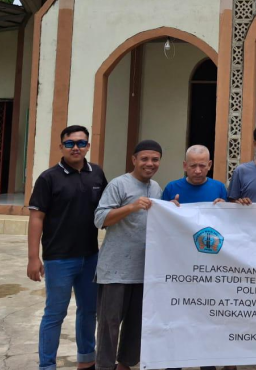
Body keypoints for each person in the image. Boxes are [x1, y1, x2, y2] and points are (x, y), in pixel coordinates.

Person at [27, 125, 107, 370]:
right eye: (70, 143)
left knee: (88, 311)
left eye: (81, 143)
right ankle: (47, 365)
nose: (76, 147)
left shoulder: (97, 174)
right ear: (61, 146)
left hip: (90, 257)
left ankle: (86, 360)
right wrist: (33, 258)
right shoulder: (48, 178)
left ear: (88, 146)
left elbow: (108, 210)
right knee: (54, 314)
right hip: (59, 258)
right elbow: (37, 217)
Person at [93, 140, 164, 370]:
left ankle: (125, 365)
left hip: (143, 270)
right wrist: (131, 207)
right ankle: (104, 366)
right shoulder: (118, 185)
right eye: (144, 159)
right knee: (109, 326)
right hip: (115, 271)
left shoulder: (156, 188)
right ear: (134, 160)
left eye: (154, 159)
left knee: (136, 326)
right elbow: (100, 219)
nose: (149, 164)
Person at [162, 145, 227, 204]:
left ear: (209, 165)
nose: (198, 171)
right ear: (185, 166)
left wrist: (223, 207)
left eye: (202, 166)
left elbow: (227, 215)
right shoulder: (171, 188)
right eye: (193, 166)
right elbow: (161, 215)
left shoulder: (219, 188)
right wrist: (169, 207)